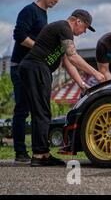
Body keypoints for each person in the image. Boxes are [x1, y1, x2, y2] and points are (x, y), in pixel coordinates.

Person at [19, 9, 105, 167]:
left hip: (37, 69)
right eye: (85, 27)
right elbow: (73, 56)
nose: (84, 31)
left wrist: (81, 83)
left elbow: (67, 61)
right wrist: (96, 73)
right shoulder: (64, 27)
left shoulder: (62, 31)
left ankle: (43, 153)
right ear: (77, 21)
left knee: (43, 112)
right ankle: (39, 155)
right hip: (36, 67)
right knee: (41, 112)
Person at [10, 0, 67, 163]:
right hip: (20, 65)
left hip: (34, 67)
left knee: (36, 110)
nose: (56, 0)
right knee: (22, 109)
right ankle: (20, 152)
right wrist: (41, 48)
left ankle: (39, 151)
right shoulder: (30, 10)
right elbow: (19, 35)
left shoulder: (44, 15)